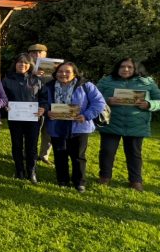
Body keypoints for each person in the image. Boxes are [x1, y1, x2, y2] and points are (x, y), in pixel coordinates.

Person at [39, 62, 106, 193]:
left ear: (74, 73)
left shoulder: (86, 86)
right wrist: (47, 112)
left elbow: (99, 102)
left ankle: (79, 182)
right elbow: (43, 102)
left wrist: (86, 116)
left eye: (67, 71)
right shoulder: (49, 85)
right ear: (55, 73)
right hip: (56, 125)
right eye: (60, 71)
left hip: (79, 126)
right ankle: (62, 180)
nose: (63, 74)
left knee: (78, 156)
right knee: (59, 154)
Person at [96, 58, 160, 191]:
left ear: (136, 69)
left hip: (136, 125)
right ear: (117, 68)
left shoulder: (147, 82)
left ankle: (136, 181)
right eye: (122, 67)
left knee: (134, 153)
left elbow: (158, 100)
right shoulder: (106, 81)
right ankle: (104, 177)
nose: (125, 69)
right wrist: (107, 101)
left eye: (129, 67)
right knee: (107, 152)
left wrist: (149, 104)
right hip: (111, 123)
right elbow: (94, 97)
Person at [2, 53, 44, 183]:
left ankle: (32, 171)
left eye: (25, 63)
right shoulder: (7, 79)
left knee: (31, 146)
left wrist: (43, 108)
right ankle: (19, 170)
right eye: (19, 62)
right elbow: (2, 97)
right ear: (15, 64)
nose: (22, 65)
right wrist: (5, 105)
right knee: (17, 145)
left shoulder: (36, 79)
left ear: (30, 65)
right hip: (15, 118)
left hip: (33, 118)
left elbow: (44, 97)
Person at [28, 43, 54, 164]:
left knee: (48, 131)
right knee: (33, 131)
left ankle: (44, 155)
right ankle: (28, 153)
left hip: (51, 103)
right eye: (34, 52)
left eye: (40, 52)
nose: (37, 55)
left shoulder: (53, 66)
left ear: (45, 54)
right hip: (33, 104)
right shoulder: (26, 66)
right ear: (30, 54)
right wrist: (32, 74)